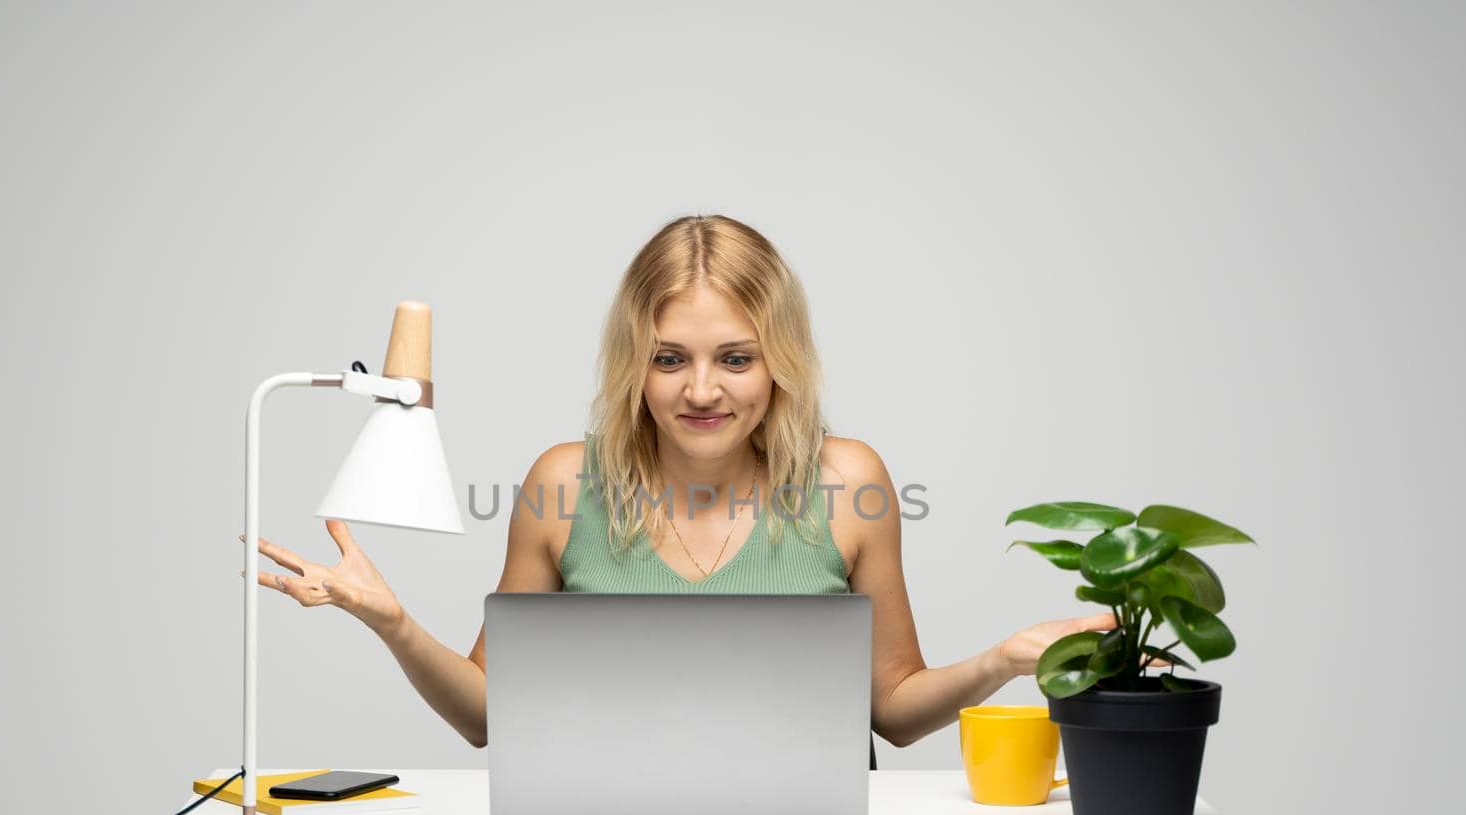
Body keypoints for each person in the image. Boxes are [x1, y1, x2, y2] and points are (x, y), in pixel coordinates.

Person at [246, 214, 1122, 762]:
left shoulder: (847, 480)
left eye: (734, 358)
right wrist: (394, 624)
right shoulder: (564, 483)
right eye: (671, 359)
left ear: (780, 362)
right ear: (636, 365)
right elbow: (488, 716)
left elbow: (891, 711)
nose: (702, 390)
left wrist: (1003, 661)